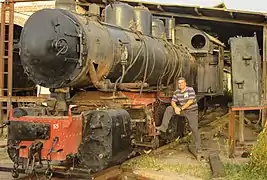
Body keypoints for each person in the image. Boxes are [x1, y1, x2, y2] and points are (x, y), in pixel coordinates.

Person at [156, 77, 201, 153]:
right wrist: (175, 107)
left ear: (185, 83)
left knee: (194, 129)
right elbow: (173, 102)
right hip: (181, 110)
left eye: (182, 83)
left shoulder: (190, 90)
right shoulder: (177, 92)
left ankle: (198, 147)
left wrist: (181, 108)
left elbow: (190, 101)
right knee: (169, 109)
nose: (180, 84)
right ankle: (163, 127)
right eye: (179, 83)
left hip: (191, 111)